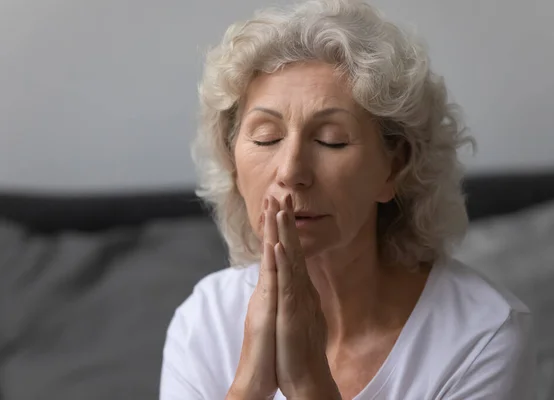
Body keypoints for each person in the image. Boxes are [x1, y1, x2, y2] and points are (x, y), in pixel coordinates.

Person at [160, 0, 534, 398]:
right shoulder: (206, 320)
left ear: (394, 168)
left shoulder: (481, 336)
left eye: (331, 140)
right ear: (233, 163)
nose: (290, 171)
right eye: (266, 137)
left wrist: (307, 383)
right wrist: (251, 384)